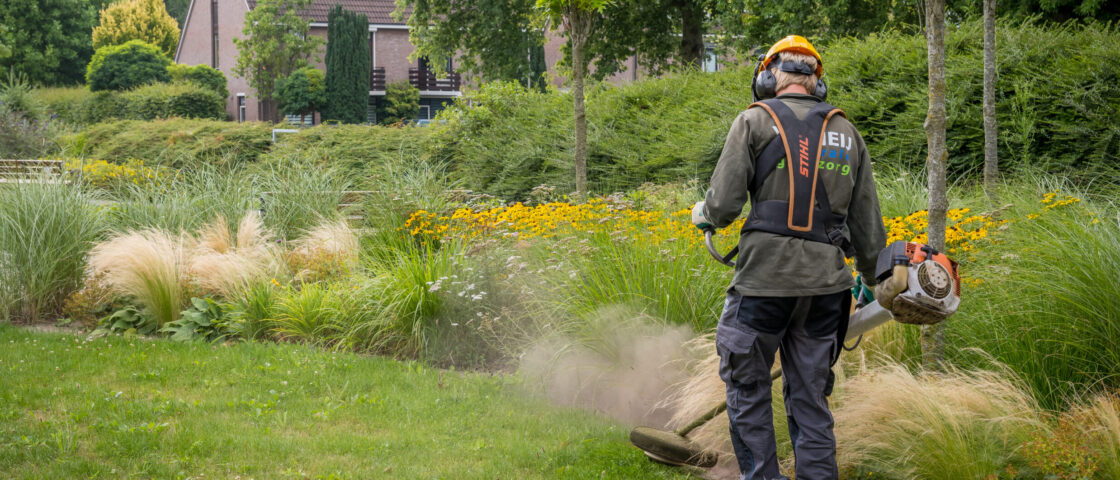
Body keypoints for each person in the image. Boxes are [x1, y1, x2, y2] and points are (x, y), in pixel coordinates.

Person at [690, 35, 887, 480]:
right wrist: (871, 277)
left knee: (747, 387)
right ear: (817, 81)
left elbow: (721, 207)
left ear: (766, 75)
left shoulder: (753, 121)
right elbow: (868, 226)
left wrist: (705, 215)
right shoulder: (847, 131)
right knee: (811, 398)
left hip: (763, 284)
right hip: (825, 292)